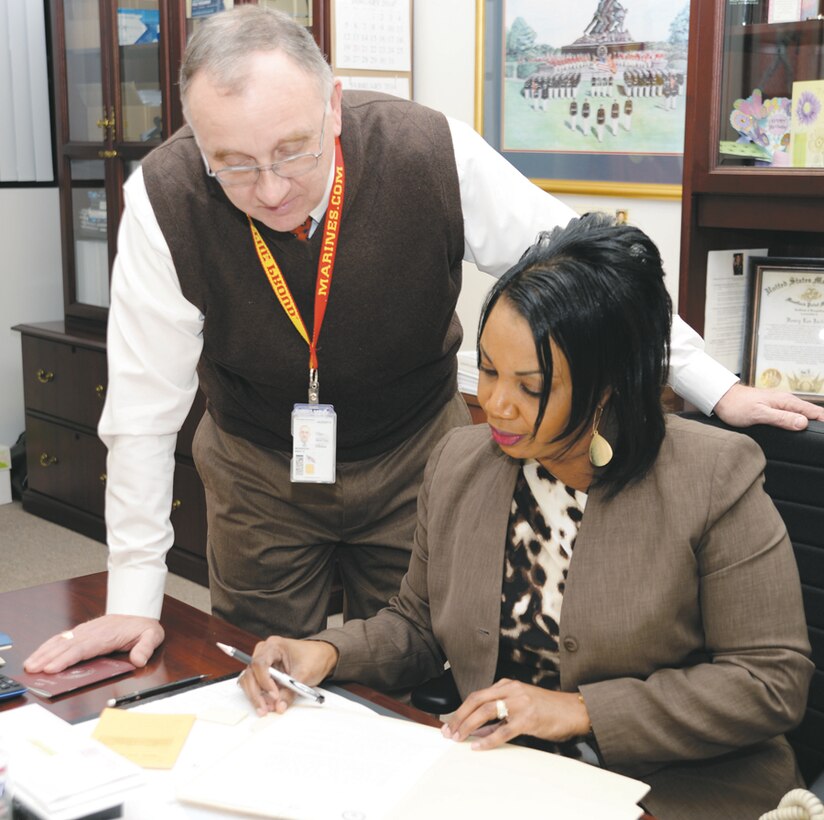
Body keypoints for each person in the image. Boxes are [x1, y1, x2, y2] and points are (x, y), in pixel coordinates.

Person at [24, 6, 823, 676]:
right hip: (259, 466)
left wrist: (718, 386)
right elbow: (141, 412)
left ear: (334, 106)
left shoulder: (429, 152)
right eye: (232, 164)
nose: (268, 189)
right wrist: (132, 601)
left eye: (292, 150)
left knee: (411, 661)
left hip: (416, 458)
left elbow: (593, 272)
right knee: (260, 668)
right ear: (194, 139)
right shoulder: (164, 199)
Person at [237, 214, 813, 820]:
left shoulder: (713, 477)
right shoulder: (462, 460)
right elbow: (418, 624)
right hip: (508, 780)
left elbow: (769, 682)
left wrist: (580, 710)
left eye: (531, 387)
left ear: (607, 385)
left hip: (674, 791)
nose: (495, 402)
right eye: (486, 370)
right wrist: (325, 652)